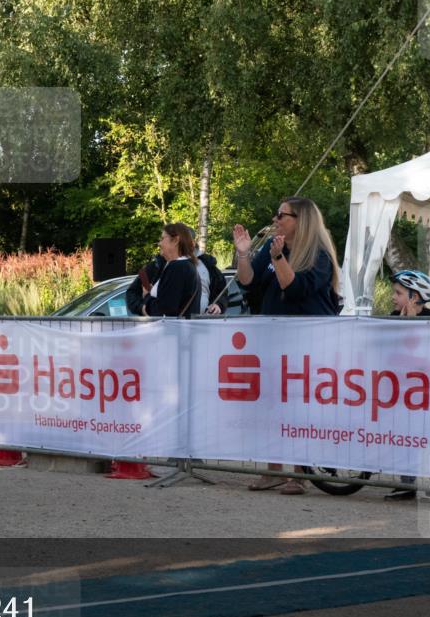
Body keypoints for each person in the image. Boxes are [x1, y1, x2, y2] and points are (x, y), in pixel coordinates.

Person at [234, 196, 341, 494]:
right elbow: (248, 282)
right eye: (276, 214)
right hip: (273, 341)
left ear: (301, 220)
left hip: (309, 343)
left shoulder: (318, 255)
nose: (276, 219)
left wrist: (279, 259)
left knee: (300, 408)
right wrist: (243, 255)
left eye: (283, 215)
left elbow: (293, 289)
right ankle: (273, 470)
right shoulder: (272, 249)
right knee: (270, 406)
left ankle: (299, 474)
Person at [383, 270, 430, 501]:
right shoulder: (391, 318)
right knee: (404, 436)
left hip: (427, 393)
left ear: (415, 297)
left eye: (399, 293)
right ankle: (407, 483)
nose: (393, 297)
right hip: (399, 392)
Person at [126, 229, 227, 316]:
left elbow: (223, 291)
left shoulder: (208, 266)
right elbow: (132, 292)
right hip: (163, 328)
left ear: (192, 243)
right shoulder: (157, 266)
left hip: (201, 327)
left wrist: (218, 304)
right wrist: (142, 308)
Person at [140, 223, 200, 318]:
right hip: (183, 330)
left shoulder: (177, 268)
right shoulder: (187, 265)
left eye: (162, 238)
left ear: (176, 240)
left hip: (173, 331)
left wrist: (147, 297)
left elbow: (163, 311)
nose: (159, 243)